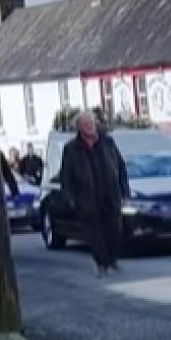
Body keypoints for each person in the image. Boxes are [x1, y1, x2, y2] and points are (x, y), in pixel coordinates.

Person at [60, 111, 129, 277]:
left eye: (91, 123)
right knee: (94, 235)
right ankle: (102, 263)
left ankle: (111, 259)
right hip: (87, 199)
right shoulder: (71, 149)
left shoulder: (107, 142)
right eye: (86, 124)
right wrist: (70, 199)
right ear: (79, 128)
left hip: (110, 194)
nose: (90, 127)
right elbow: (66, 176)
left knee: (114, 229)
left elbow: (120, 167)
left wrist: (124, 190)